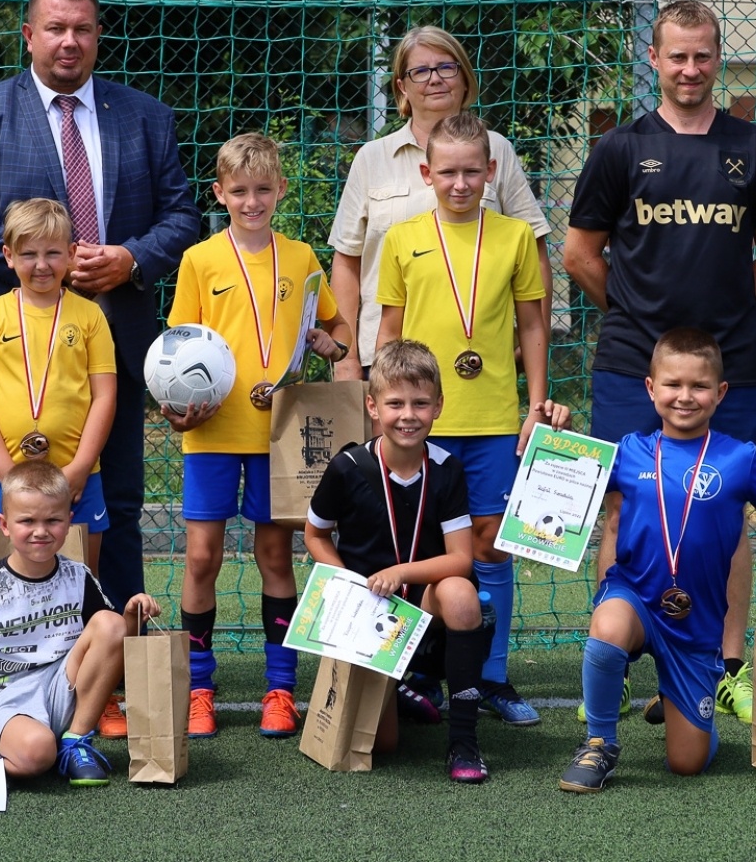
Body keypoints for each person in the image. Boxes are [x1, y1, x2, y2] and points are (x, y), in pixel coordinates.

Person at [0, 0, 200, 616]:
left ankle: (119, 647)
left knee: (119, 503)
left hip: (115, 337)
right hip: (13, 350)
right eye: (55, 28)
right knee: (20, 508)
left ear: (99, 35)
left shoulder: (146, 116)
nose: (69, 41)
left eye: (82, 28)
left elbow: (182, 217)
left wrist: (131, 259)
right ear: (30, 36)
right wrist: (44, 256)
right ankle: (13, 645)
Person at [562, 0, 756, 726]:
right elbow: (579, 254)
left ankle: (724, 667)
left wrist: (717, 325)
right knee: (620, 507)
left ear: (717, 58)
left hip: (731, 366)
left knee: (729, 510)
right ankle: (613, 664)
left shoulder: (754, 148)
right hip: (632, 362)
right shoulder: (619, 148)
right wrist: (639, 318)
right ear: (654, 60)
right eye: (677, 56)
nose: (690, 69)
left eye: (702, 55)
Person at [559, 328, 756, 792]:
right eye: (672, 384)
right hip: (636, 597)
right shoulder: (628, 452)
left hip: (696, 623)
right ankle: (599, 743)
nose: (685, 396)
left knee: (687, 763)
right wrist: (557, 434)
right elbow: (564, 478)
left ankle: (680, 702)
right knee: (607, 627)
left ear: (720, 392)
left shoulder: (739, 458)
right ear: (651, 388)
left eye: (699, 386)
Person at [375, 111, 569, 726]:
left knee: (492, 543)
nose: (460, 184)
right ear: (427, 174)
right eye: (448, 173)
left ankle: (492, 675)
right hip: (420, 420)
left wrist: (536, 406)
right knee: (421, 545)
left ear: (490, 171)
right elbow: (389, 331)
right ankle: (420, 670)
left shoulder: (514, 237)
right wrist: (379, 410)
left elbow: (533, 325)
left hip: (493, 418)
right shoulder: (402, 238)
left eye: (471, 172)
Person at [163, 133, 352, 740]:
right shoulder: (199, 260)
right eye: (239, 191)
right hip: (213, 428)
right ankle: (199, 688)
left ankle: (280, 689)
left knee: (275, 556)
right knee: (202, 557)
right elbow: (178, 348)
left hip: (281, 432)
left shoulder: (300, 257)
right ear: (219, 194)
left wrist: (330, 344)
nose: (252, 202)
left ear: (281, 191)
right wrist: (176, 406)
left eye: (263, 189)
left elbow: (338, 332)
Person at [0, 197, 121, 740]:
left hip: (78, 478)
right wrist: (7, 474)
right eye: (29, 254)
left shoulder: (89, 316)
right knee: (3, 587)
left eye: (53, 253)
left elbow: (105, 396)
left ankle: (90, 694)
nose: (42, 265)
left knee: (81, 586)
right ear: (8, 256)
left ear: (73, 255)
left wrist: (79, 468)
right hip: (3, 478)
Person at [304, 340, 491, 783]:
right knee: (383, 745)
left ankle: (464, 741)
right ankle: (399, 691)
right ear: (373, 406)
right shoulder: (347, 467)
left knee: (462, 595)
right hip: (370, 615)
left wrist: (401, 573)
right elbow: (315, 535)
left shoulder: (447, 469)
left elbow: (461, 559)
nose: (408, 415)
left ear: (438, 406)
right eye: (395, 404)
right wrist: (349, 586)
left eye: (421, 403)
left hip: (424, 608)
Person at [329, 24, 553, 382]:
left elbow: (534, 252)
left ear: (464, 78)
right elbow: (347, 261)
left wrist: (534, 344)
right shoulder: (372, 158)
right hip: (388, 359)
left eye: (446, 67)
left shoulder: (498, 149)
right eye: (420, 71)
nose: (434, 79)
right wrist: (346, 356)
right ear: (402, 87)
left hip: (478, 361)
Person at [0, 461, 159, 789]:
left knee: (111, 622)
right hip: (2, 700)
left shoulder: (79, 577)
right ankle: (4, 749)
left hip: (62, 689)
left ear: (69, 522)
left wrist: (131, 616)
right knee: (39, 752)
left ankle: (75, 742)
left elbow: (115, 645)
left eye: (53, 520)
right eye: (27, 521)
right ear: (4, 525)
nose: (41, 531)